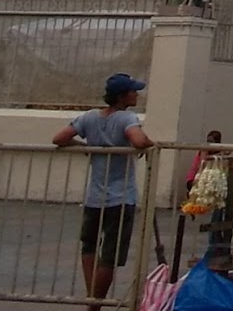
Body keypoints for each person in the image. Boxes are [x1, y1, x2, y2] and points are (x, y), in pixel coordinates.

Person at [52, 73, 153, 311]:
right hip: (121, 198)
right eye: (133, 91)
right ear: (122, 96)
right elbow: (138, 140)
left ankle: (92, 298)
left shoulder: (89, 118)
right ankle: (94, 304)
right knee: (110, 253)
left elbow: (59, 138)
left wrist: (88, 147)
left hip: (94, 197)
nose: (137, 94)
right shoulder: (127, 118)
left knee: (89, 246)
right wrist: (150, 144)